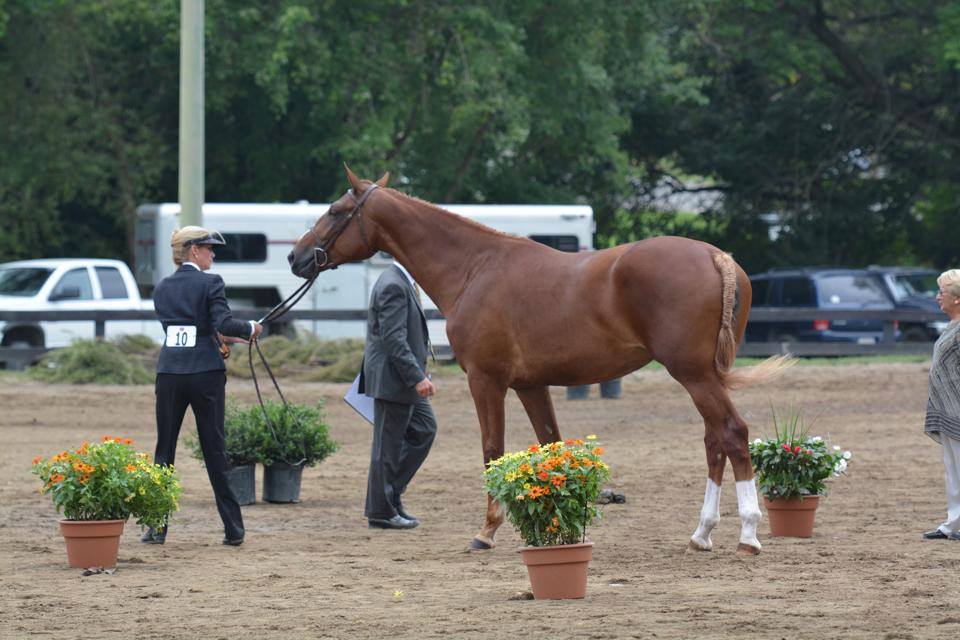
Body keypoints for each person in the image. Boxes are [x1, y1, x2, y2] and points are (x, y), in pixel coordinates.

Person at [141, 226, 263, 546]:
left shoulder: (162, 288)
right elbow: (222, 323)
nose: (213, 253)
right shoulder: (211, 282)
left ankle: (156, 528)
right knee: (214, 449)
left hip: (169, 372)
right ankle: (233, 529)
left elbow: (186, 329)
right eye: (208, 248)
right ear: (193, 250)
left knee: (164, 450)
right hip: (205, 374)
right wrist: (250, 327)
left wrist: (216, 335)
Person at [359, 260, 437, 529]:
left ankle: (390, 495)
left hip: (400, 377)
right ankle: (381, 510)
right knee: (387, 446)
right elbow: (394, 338)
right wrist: (416, 376)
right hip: (394, 378)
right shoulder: (393, 284)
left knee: (424, 430)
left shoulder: (401, 281)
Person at [922, 268, 960, 541]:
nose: (938, 298)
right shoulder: (952, 326)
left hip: (958, 408)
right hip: (947, 409)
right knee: (952, 469)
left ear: (956, 298)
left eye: (942, 293)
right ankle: (953, 524)